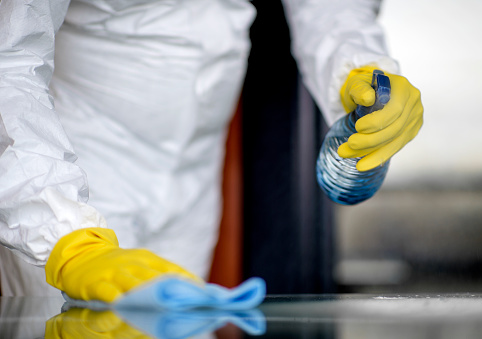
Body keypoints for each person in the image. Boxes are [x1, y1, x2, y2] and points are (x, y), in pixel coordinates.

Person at [0, 0, 423, 302]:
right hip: (72, 181)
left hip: (195, 182)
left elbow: (326, 8)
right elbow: (8, 65)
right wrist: (62, 236)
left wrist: (358, 66)